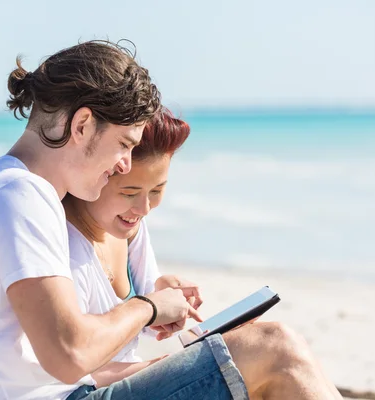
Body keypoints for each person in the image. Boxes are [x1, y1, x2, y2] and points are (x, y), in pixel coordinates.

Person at [0, 40, 195, 400]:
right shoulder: (18, 196)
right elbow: (69, 355)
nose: (125, 164)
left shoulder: (17, 191)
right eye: (125, 144)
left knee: (255, 348)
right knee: (268, 348)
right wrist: (149, 306)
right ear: (82, 125)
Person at [63, 109, 344, 399]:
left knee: (271, 349)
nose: (144, 207)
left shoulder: (128, 228)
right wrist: (163, 364)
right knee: (274, 345)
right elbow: (57, 372)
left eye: (157, 190)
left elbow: (142, 322)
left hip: (121, 383)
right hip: (79, 393)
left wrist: (161, 293)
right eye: (129, 192)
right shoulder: (61, 247)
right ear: (99, 173)